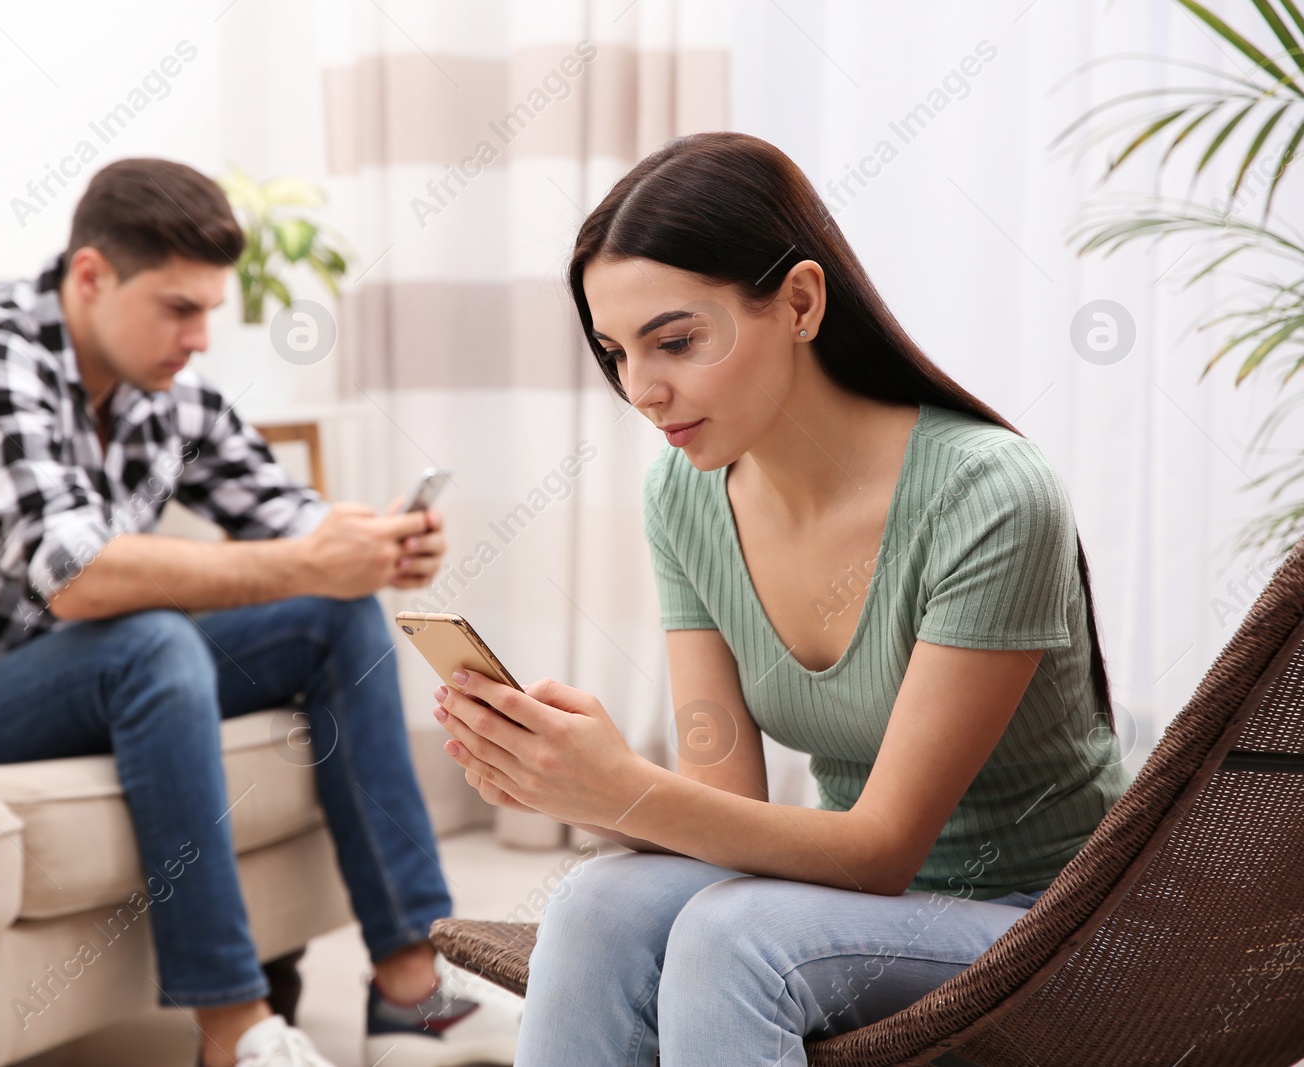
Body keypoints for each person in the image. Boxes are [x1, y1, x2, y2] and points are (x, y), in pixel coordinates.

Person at [430, 131, 1131, 1066]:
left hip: (1043, 922)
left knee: (735, 935)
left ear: (799, 302)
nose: (642, 389)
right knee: (597, 898)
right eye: (616, 352)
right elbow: (723, 810)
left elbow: (883, 848)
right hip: (849, 902)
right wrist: (577, 785)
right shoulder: (683, 494)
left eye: (676, 340)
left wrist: (622, 787)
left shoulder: (988, 494)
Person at [0, 157, 520, 1067]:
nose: (202, 336)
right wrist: (307, 559)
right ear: (92, 275)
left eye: (211, 309)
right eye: (181, 308)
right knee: (147, 639)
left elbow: (288, 517)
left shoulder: (159, 387)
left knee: (331, 617)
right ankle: (235, 1030)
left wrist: (371, 545)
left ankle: (413, 995)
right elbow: (80, 579)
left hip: (65, 678)